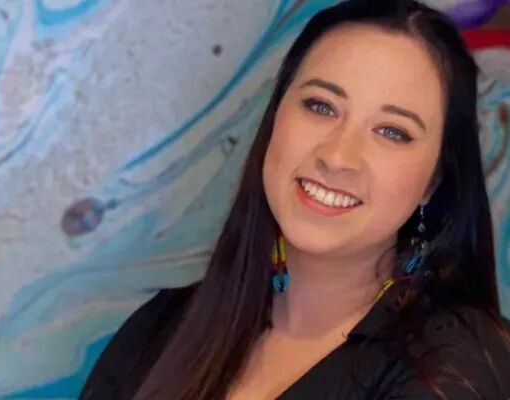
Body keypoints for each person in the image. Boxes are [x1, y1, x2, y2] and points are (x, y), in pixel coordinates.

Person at [79, 0, 510, 399]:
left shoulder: (455, 366)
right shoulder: (161, 327)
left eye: (391, 132)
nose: (337, 156)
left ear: (434, 181)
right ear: (275, 117)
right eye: (321, 106)